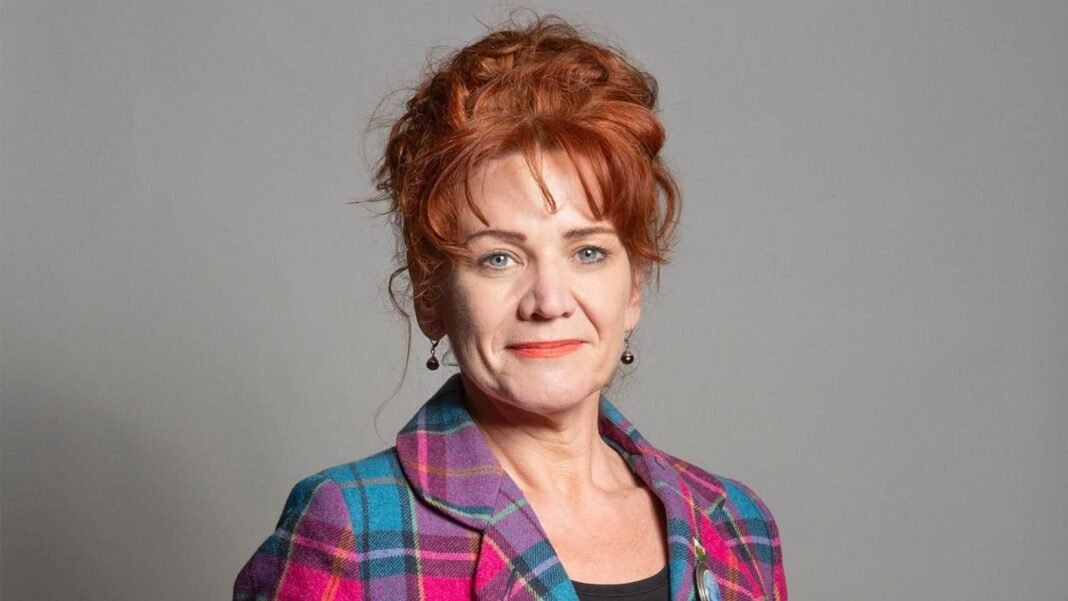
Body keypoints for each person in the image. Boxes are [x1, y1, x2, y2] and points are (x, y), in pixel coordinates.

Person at [234, 14, 786, 601]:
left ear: (632, 290)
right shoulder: (352, 532)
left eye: (589, 252)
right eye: (498, 258)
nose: (549, 301)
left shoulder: (735, 523)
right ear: (430, 296)